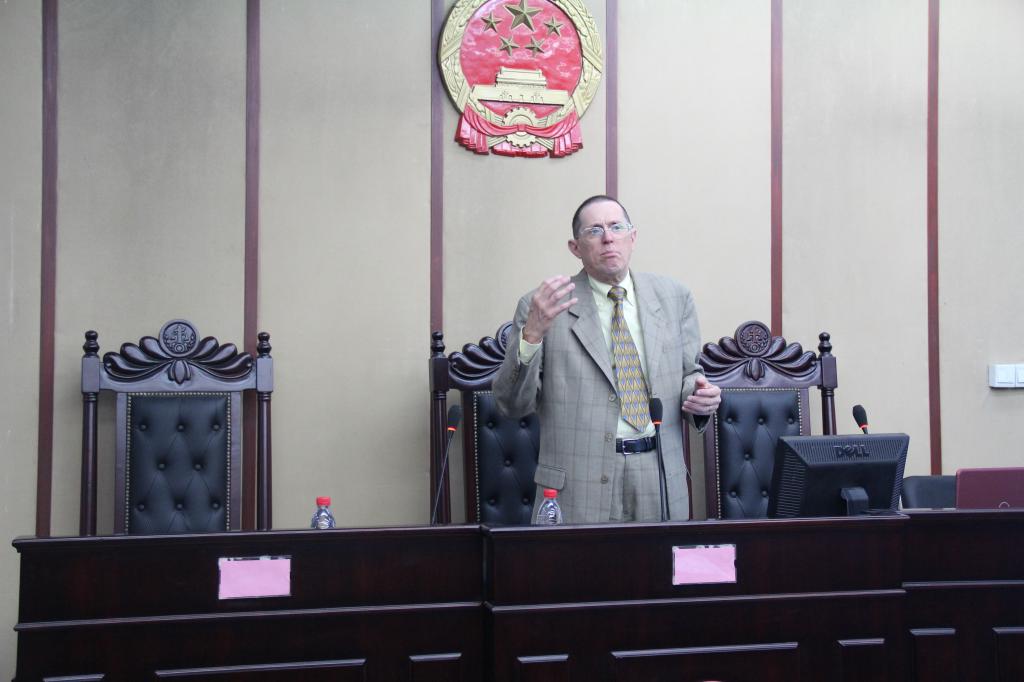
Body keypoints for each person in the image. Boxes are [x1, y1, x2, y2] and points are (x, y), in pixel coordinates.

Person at [492, 195, 721, 523]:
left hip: (658, 476)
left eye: (616, 227)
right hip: (578, 482)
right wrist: (532, 336)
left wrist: (699, 396)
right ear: (575, 247)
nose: (608, 238)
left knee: (657, 559)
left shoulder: (674, 298)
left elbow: (689, 374)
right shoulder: (543, 306)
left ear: (633, 237)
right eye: (594, 230)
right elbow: (512, 405)